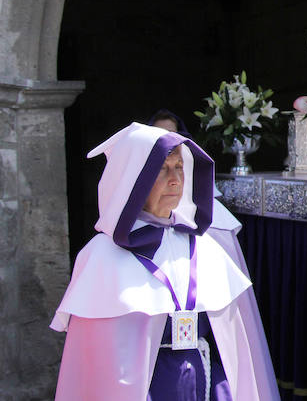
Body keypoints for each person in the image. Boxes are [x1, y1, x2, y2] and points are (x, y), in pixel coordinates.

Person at [52, 122, 279, 399]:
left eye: (179, 168)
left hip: (204, 382)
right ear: (134, 180)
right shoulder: (101, 256)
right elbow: (100, 368)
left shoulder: (206, 247)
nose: (175, 180)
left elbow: (235, 348)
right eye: (162, 169)